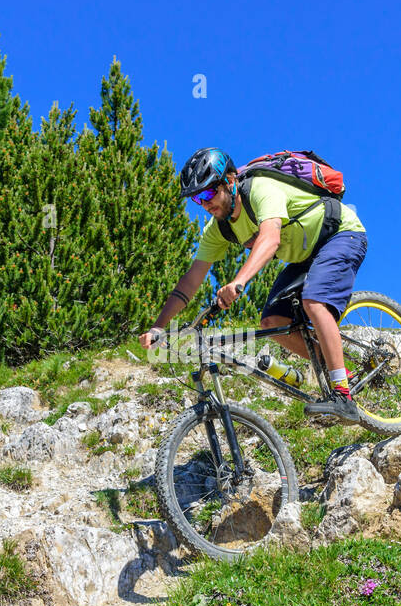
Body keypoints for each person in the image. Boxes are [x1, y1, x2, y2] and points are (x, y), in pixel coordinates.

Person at [138, 147, 368, 423]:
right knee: (272, 322)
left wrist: (238, 281)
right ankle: (344, 371)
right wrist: (159, 326)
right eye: (198, 198)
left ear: (231, 181)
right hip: (304, 257)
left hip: (339, 234)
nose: (205, 203)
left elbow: (270, 239)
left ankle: (343, 396)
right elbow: (191, 279)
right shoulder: (219, 229)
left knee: (314, 301)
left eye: (209, 193)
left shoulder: (260, 189)